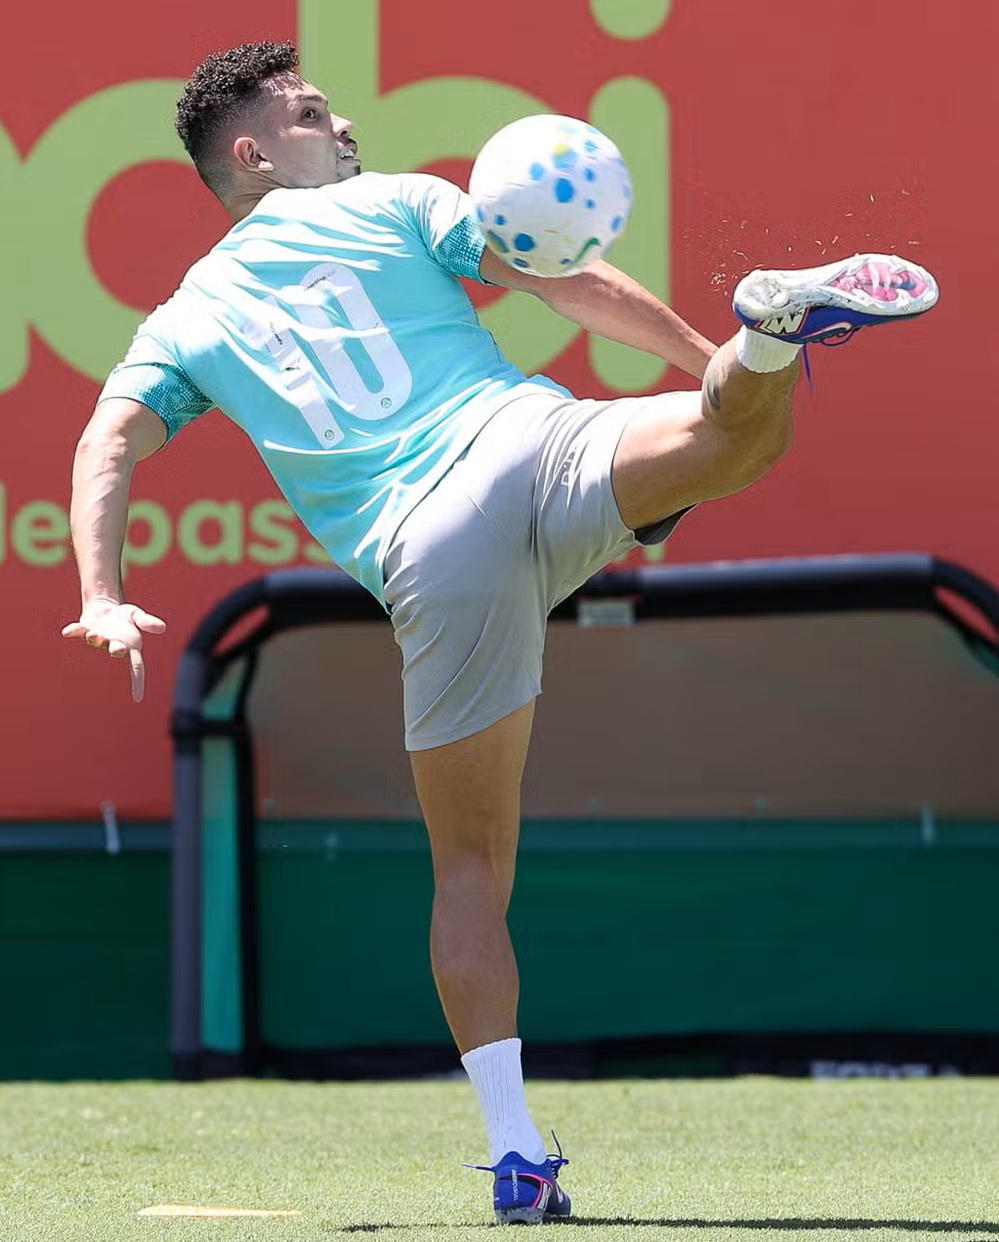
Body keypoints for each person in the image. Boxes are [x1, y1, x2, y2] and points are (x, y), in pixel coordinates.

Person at [61, 40, 938, 1226]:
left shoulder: (181, 319)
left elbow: (108, 442)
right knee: (748, 442)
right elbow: (568, 284)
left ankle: (518, 1154)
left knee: (471, 870)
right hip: (535, 448)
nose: (342, 125)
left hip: (439, 548)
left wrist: (101, 592)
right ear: (252, 156)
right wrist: (716, 373)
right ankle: (770, 334)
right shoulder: (393, 201)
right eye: (312, 114)